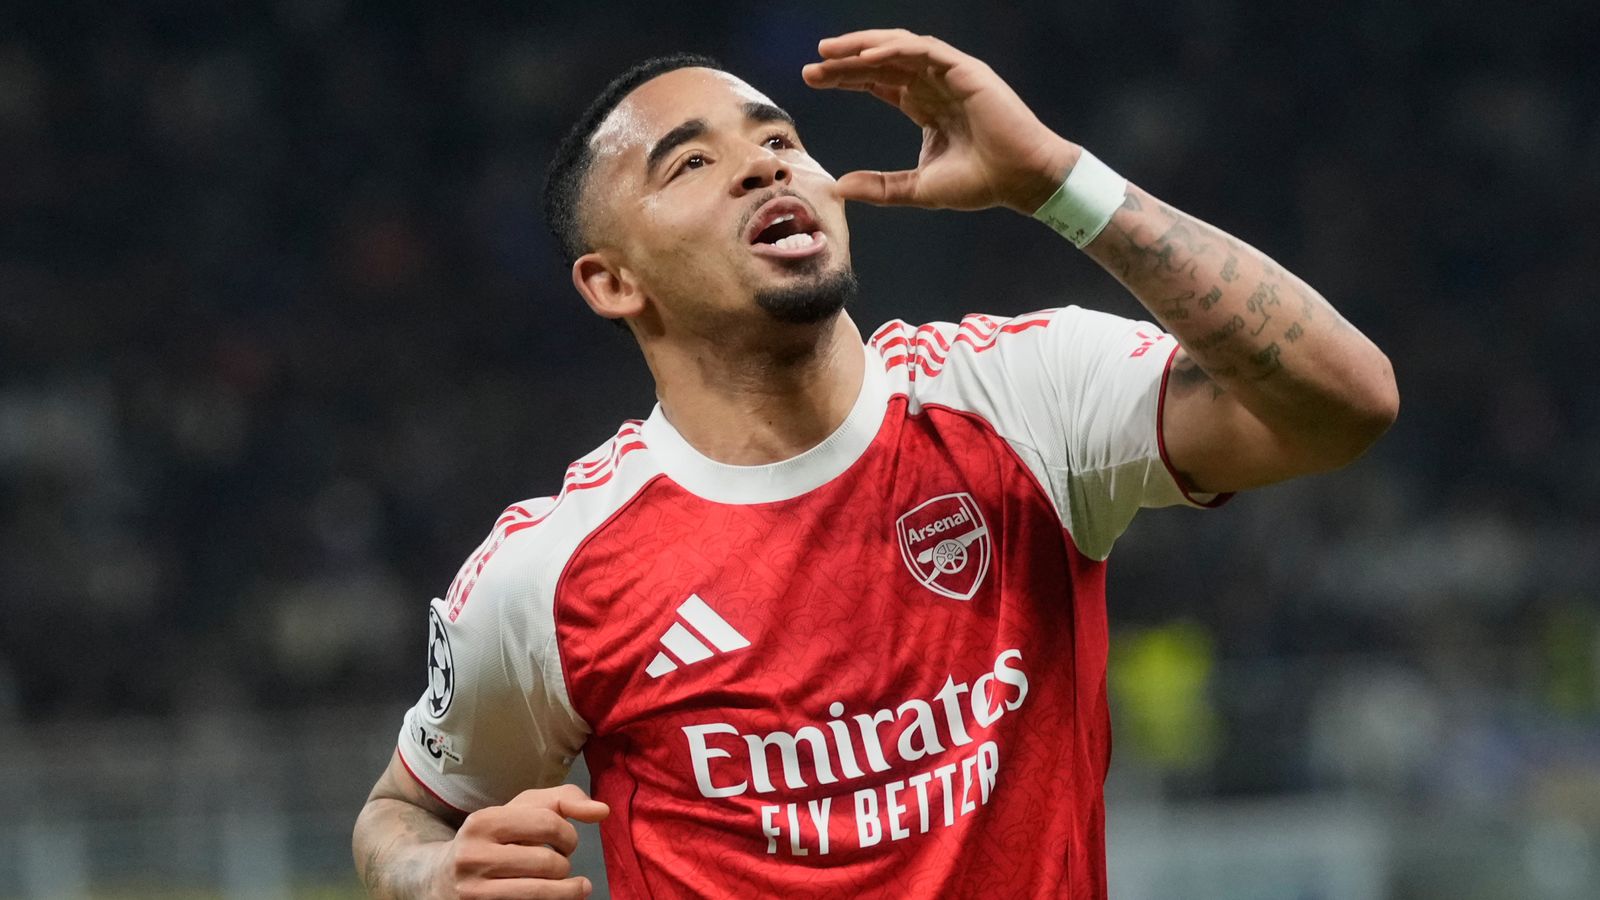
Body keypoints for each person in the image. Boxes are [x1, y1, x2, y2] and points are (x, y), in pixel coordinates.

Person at [351, 28, 1397, 899]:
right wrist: (433, 875)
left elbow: (1345, 404)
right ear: (612, 281)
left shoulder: (1019, 397)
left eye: (781, 139)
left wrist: (1056, 180)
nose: (766, 165)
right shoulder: (552, 572)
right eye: (692, 163)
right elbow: (402, 813)